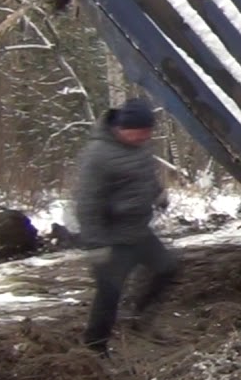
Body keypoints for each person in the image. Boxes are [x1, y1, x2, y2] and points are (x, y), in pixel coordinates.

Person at [77, 98, 180, 356]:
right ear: (124, 127)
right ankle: (95, 348)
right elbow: (87, 202)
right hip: (111, 238)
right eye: (141, 131)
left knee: (167, 268)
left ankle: (140, 319)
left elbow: (146, 175)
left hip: (138, 232)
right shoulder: (98, 155)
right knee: (109, 294)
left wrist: (158, 194)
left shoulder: (140, 147)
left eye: (148, 132)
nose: (145, 136)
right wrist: (95, 244)